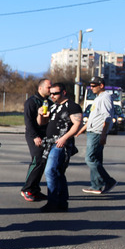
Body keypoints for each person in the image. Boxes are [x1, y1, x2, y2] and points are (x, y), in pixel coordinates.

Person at [39, 82, 83, 212]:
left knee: (50, 171)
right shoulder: (53, 106)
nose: (52, 96)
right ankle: (62, 202)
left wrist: (64, 138)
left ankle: (53, 202)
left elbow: (77, 124)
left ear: (63, 92)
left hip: (61, 144)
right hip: (50, 143)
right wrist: (40, 114)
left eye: (55, 93)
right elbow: (42, 123)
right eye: (50, 93)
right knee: (58, 173)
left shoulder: (72, 106)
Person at [78, 77, 118, 195]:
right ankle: (96, 186)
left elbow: (107, 117)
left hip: (97, 132)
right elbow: (93, 117)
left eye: (94, 85)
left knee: (89, 158)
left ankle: (108, 181)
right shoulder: (98, 98)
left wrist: (103, 134)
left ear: (101, 85)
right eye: (90, 85)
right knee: (96, 159)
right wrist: (81, 130)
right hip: (92, 130)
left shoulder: (105, 97)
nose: (92, 88)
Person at [21, 78, 52, 202]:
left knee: (42, 162)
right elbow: (28, 121)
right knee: (37, 160)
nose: (50, 90)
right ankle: (27, 188)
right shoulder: (32, 102)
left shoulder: (47, 102)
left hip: (45, 135)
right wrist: (35, 136)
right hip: (34, 135)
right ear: (40, 88)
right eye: (48, 87)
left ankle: (34, 189)